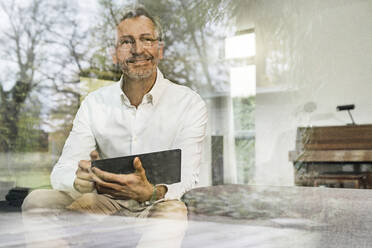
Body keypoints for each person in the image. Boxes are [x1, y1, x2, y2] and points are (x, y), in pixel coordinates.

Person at [22, 6, 207, 247]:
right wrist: (79, 181)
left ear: (159, 50)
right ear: (115, 54)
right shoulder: (94, 103)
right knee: (37, 201)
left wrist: (151, 191)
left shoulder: (189, 102)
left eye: (147, 40)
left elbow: (189, 176)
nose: (138, 50)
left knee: (173, 212)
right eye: (127, 42)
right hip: (105, 203)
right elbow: (63, 170)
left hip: (155, 204)